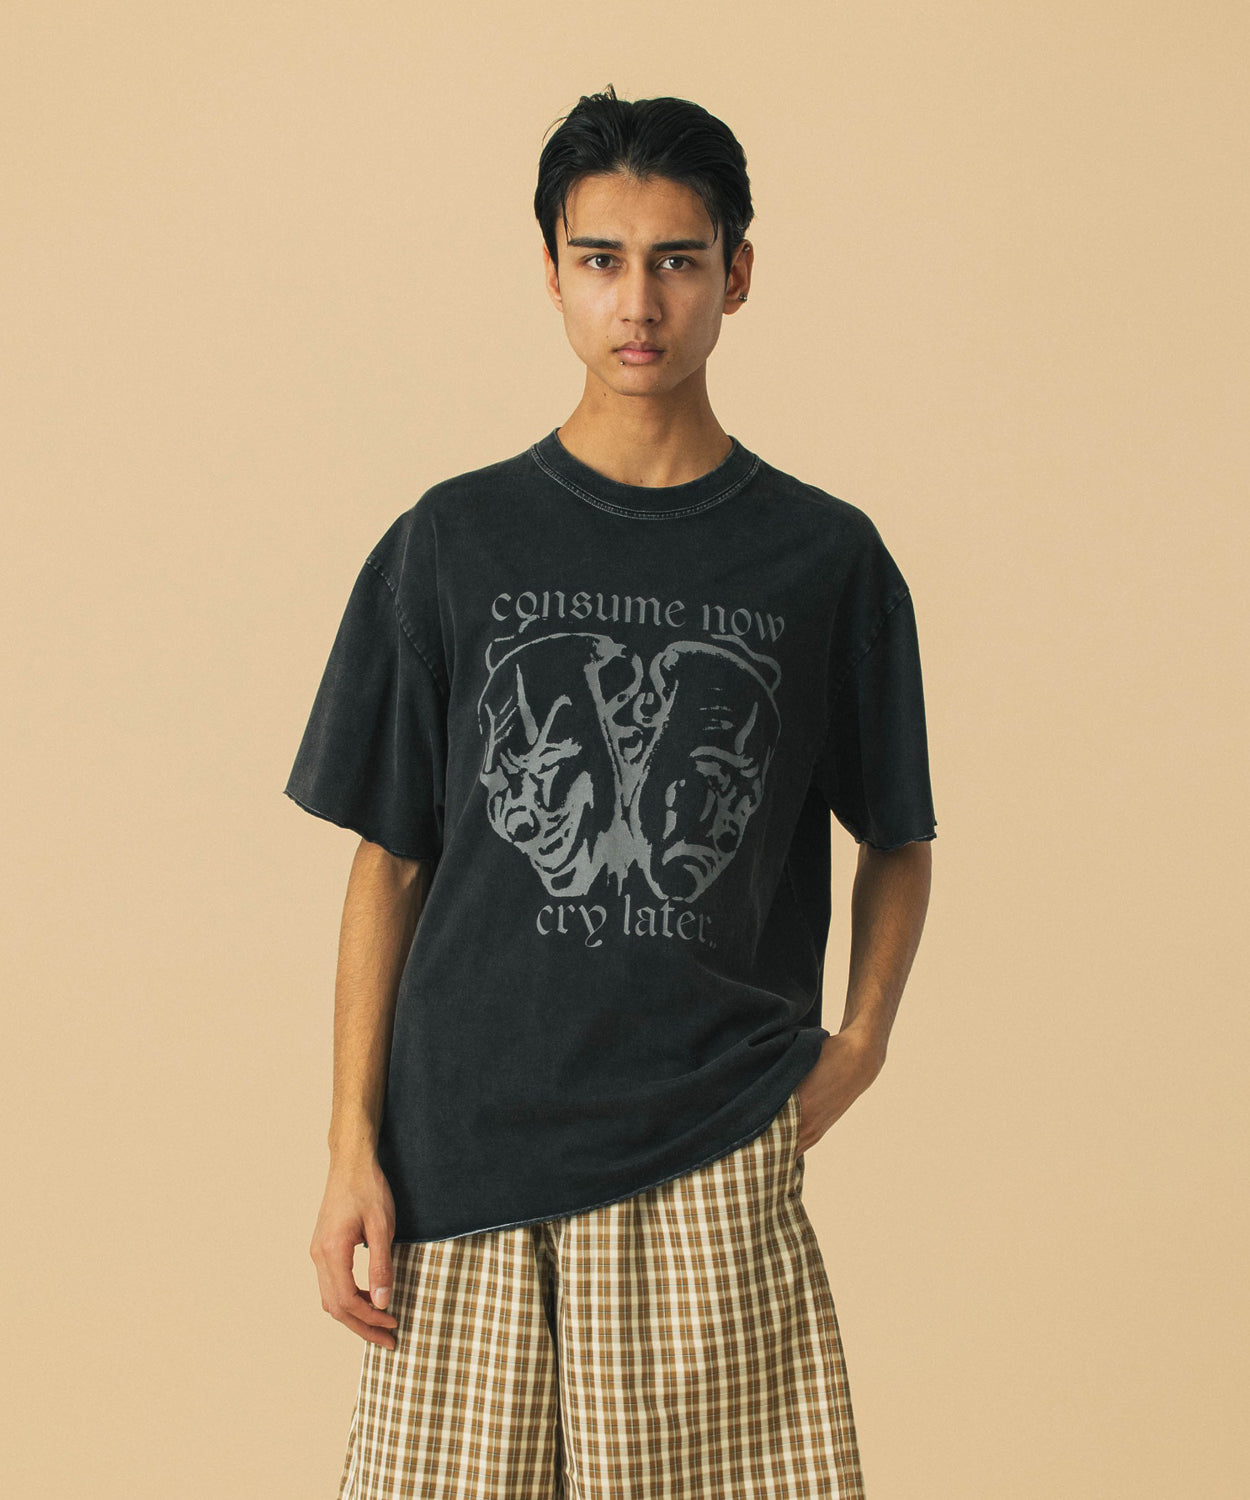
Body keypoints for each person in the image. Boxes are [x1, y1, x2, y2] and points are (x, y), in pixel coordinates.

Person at [285, 84, 935, 1499]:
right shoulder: (453, 540)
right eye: (601, 259)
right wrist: (350, 1150)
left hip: (711, 1141)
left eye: (677, 260)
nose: (637, 302)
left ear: (736, 275)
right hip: (462, 1153)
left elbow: (898, 833)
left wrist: (859, 1047)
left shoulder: (823, 558)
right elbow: (390, 861)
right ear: (552, 273)